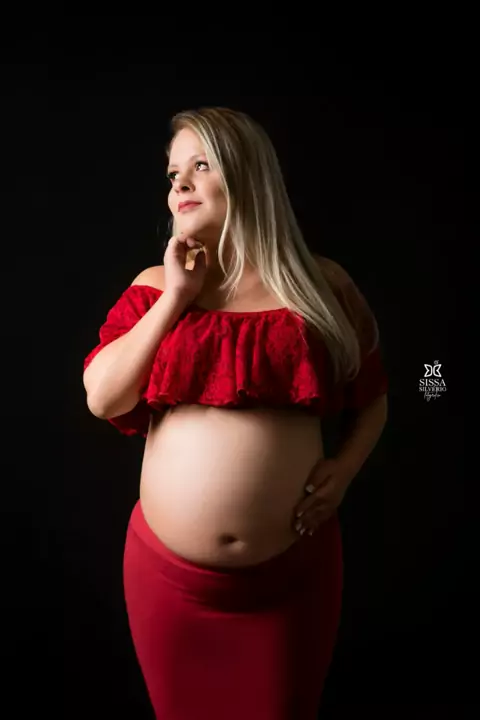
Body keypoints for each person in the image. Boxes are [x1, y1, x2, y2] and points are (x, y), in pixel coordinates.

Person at [83, 106, 388, 720]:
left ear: (249, 174)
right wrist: (177, 296)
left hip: (292, 578)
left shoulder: (323, 286)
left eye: (201, 164)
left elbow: (386, 392)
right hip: (168, 583)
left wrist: (346, 471)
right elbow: (103, 398)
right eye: (173, 173)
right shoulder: (153, 286)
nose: (181, 182)